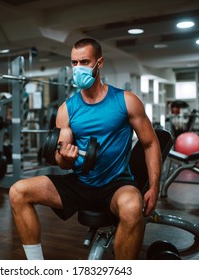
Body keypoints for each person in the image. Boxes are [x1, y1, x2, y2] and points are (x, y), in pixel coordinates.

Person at [9, 38, 162, 260]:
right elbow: (62, 160)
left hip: (116, 183)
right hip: (80, 183)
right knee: (18, 191)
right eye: (74, 63)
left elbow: (150, 143)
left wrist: (155, 187)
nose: (78, 68)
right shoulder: (67, 109)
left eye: (84, 61)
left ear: (99, 63)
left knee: (131, 207)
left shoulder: (126, 101)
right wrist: (65, 158)